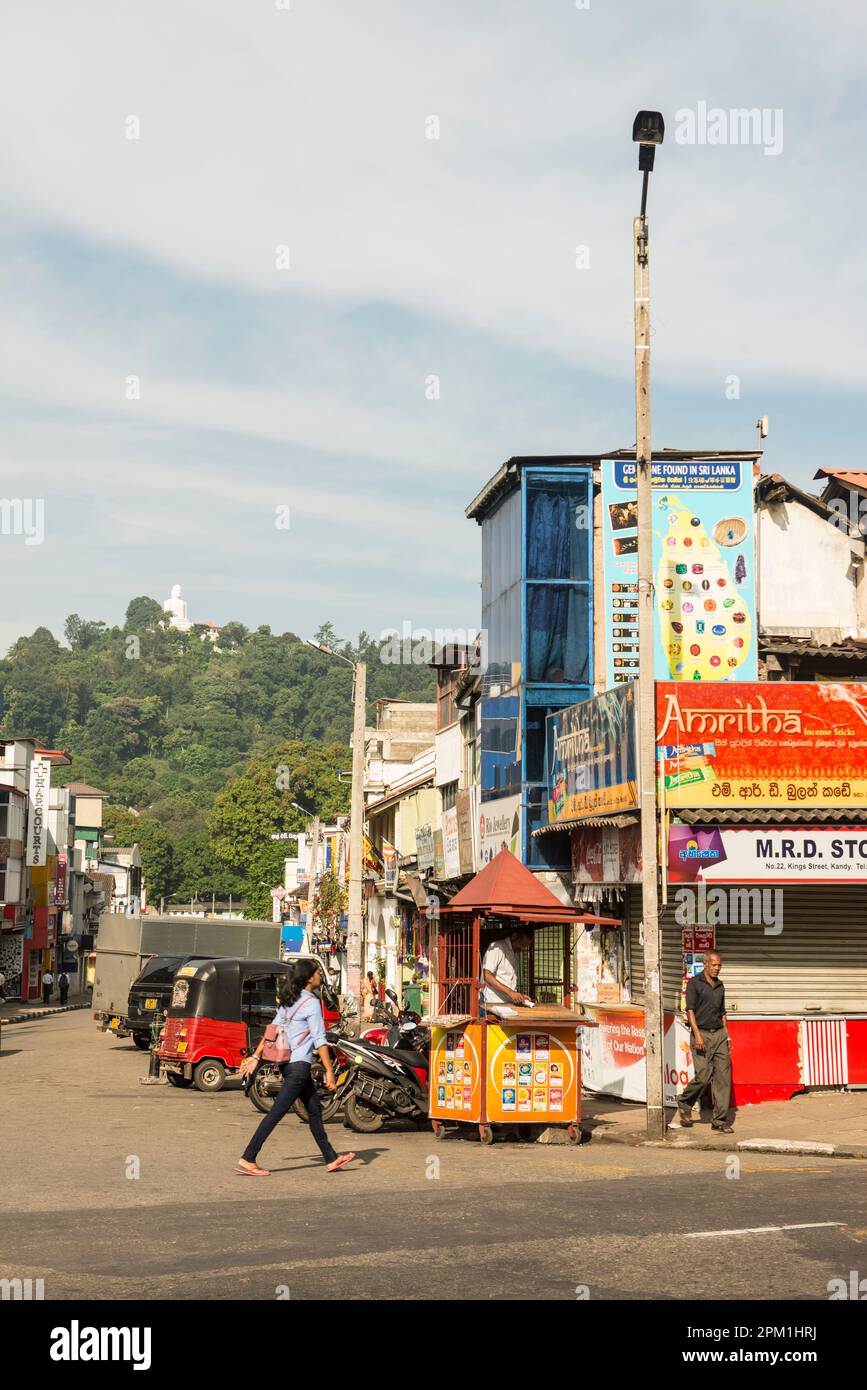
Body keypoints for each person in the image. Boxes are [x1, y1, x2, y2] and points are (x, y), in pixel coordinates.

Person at [236, 960, 356, 1177]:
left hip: (287, 1064)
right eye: (318, 973)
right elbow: (320, 1041)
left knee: (314, 1111)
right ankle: (249, 1157)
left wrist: (256, 1056)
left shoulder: (289, 1000)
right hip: (298, 1066)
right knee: (276, 1113)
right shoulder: (311, 1003)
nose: (321, 976)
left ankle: (330, 1158)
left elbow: (271, 1031)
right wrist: (329, 1071)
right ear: (309, 978)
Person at [677, 951, 733, 1133]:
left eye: (719, 965)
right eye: (714, 965)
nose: (717, 968)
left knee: (723, 1079)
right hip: (701, 1033)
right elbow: (690, 1010)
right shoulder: (695, 984)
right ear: (706, 964)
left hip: (719, 1035)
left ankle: (719, 1120)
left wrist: (727, 1035)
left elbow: (722, 1012)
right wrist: (697, 1035)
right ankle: (685, 1102)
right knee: (703, 1075)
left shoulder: (720, 986)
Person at [480, 927, 534, 1016]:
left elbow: (507, 980)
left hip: (506, 1003)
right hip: (491, 1001)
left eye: (525, 946)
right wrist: (511, 993)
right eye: (521, 944)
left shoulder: (514, 952)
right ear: (514, 936)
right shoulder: (497, 947)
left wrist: (518, 996)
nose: (522, 948)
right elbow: (487, 976)